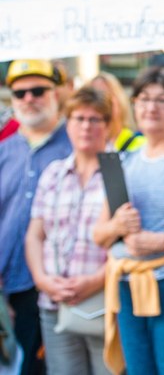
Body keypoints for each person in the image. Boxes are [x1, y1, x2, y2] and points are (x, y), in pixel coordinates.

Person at [93, 67, 164, 375]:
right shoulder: (125, 156)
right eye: (144, 99)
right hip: (125, 282)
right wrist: (117, 226)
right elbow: (99, 234)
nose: (151, 107)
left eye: (162, 100)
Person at [25, 87, 113, 375]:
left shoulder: (118, 172)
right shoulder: (53, 173)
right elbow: (35, 235)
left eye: (94, 119)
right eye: (79, 119)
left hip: (103, 302)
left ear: (107, 125)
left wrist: (94, 281)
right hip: (54, 302)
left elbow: (124, 243)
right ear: (68, 124)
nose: (86, 126)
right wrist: (42, 280)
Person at [0, 59, 72, 375]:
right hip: (9, 282)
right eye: (20, 93)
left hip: (61, 283)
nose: (29, 99)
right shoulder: (4, 150)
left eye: (38, 91)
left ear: (55, 93)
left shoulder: (77, 143)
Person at [89, 72, 146, 152]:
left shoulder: (141, 145)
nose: (99, 104)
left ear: (119, 102)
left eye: (106, 97)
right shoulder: (83, 147)